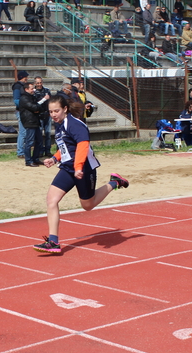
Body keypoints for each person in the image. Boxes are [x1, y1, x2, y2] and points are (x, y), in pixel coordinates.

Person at [33, 94, 130, 254]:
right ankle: (53, 242)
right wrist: (55, 158)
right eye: (50, 112)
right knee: (51, 199)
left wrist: (78, 167)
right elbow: (65, 146)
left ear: (65, 109)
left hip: (84, 168)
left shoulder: (75, 124)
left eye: (56, 111)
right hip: (68, 168)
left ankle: (115, 182)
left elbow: (82, 146)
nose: (53, 115)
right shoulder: (59, 125)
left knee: (88, 205)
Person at [19, 80, 47, 166]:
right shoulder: (24, 98)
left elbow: (39, 108)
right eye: (32, 88)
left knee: (39, 141)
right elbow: (34, 107)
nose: (33, 90)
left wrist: (37, 109)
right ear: (26, 89)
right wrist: (43, 100)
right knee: (29, 142)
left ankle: (35, 158)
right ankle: (28, 160)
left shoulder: (32, 97)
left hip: (35, 121)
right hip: (29, 122)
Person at [34, 76, 52, 157]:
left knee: (48, 134)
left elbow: (51, 100)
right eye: (37, 83)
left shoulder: (47, 90)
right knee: (40, 135)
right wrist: (44, 99)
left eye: (40, 82)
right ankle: (40, 151)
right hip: (39, 116)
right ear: (35, 83)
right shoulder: (33, 92)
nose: (39, 84)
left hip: (47, 115)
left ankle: (47, 151)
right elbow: (36, 103)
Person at [12, 71, 29, 158]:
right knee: (23, 132)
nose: (27, 79)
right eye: (26, 77)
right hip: (21, 111)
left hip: (25, 111)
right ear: (22, 77)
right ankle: (20, 151)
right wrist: (25, 105)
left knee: (25, 132)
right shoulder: (17, 86)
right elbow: (16, 100)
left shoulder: (22, 86)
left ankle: (23, 151)